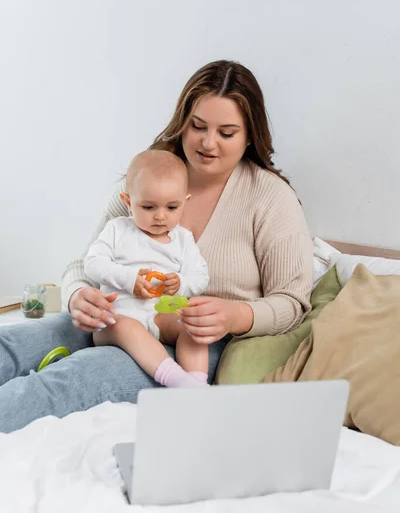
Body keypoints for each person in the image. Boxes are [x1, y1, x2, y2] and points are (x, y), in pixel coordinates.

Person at [0, 59, 314, 433]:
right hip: (120, 314)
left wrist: (232, 316)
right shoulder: (149, 179)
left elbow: (293, 303)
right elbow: (85, 265)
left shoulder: (271, 198)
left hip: (191, 340)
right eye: (198, 126)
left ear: (249, 136)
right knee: (14, 342)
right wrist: (78, 296)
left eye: (226, 132)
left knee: (71, 379)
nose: (208, 142)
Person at [84, 150, 210, 388]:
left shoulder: (184, 239)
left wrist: (181, 283)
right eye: (149, 207)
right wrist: (129, 279)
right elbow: (92, 264)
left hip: (161, 316)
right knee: (125, 326)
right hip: (118, 317)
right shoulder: (117, 229)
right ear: (128, 202)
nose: (160, 216)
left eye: (172, 208)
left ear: (185, 202)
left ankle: (197, 383)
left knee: (192, 322)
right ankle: (177, 380)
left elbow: (200, 276)